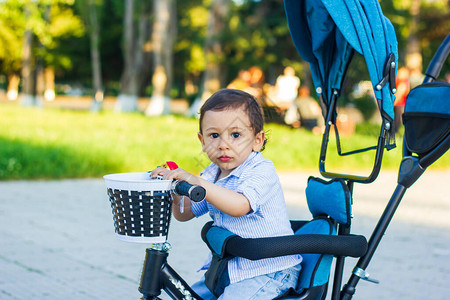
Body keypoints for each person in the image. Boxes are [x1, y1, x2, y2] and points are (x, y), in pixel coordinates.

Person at [151, 88, 302, 299]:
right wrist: (176, 193)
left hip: (270, 270)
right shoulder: (212, 174)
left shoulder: (261, 170)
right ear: (202, 141)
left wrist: (198, 181)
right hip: (231, 269)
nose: (223, 145)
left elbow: (240, 206)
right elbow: (185, 214)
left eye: (236, 135)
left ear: (257, 140)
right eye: (214, 135)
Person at [394, 66, 410, 133]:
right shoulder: (401, 81)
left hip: (398, 104)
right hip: (399, 104)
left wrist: (393, 103)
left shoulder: (403, 82)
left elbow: (399, 94)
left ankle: (394, 133)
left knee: (396, 120)